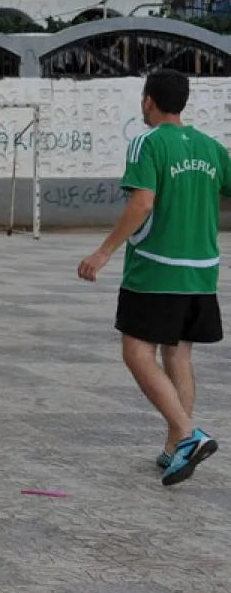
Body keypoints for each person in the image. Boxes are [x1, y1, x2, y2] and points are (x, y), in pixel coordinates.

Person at [78, 69, 231, 486]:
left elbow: (142, 203)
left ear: (148, 100)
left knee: (136, 353)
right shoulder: (211, 148)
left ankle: (187, 435)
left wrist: (104, 250)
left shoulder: (147, 142)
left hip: (156, 270)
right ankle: (173, 450)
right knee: (177, 354)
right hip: (201, 273)